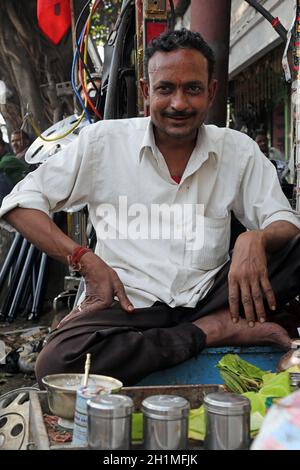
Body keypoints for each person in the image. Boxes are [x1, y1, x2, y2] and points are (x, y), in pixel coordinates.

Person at [0, 29, 299, 387]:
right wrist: (83, 257)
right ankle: (210, 332)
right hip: (128, 306)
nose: (179, 103)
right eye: (165, 89)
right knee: (57, 361)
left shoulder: (238, 149)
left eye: (192, 88)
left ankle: (205, 325)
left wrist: (255, 238)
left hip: (211, 295)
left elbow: (284, 221)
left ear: (212, 91)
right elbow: (20, 203)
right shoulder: (103, 143)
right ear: (146, 92)